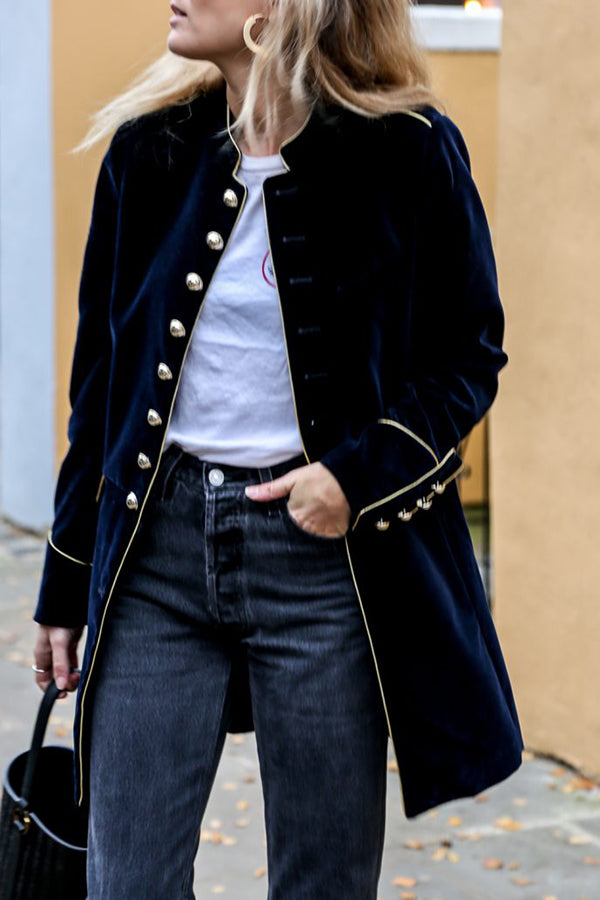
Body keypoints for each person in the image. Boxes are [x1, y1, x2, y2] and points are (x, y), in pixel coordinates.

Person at [30, 0, 524, 897]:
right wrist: (64, 583)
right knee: (125, 881)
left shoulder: (409, 151)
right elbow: (100, 390)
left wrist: (353, 478)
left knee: (322, 882)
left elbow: (468, 354)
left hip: (322, 568)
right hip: (155, 556)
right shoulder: (147, 153)